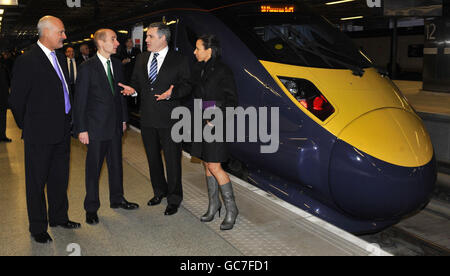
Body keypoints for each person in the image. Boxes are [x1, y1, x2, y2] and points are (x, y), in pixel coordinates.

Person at [9, 15, 81, 244]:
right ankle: (38, 226)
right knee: (36, 181)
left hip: (62, 130)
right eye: (61, 32)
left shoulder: (60, 58)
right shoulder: (28, 61)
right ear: (46, 32)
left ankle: (59, 217)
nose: (65, 36)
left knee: (60, 177)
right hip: (38, 133)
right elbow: (17, 101)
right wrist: (28, 126)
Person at [119, 22, 191, 216]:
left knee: (172, 160)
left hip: (171, 119)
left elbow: (187, 85)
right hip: (148, 118)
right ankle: (159, 191)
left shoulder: (179, 60)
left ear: (163, 38)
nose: (146, 40)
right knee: (152, 158)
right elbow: (136, 83)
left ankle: (174, 198)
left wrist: (172, 93)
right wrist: (132, 90)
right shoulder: (142, 58)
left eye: (150, 36)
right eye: (147, 36)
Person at [74, 29, 139, 225]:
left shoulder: (117, 65)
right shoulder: (87, 68)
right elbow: (80, 102)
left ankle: (117, 199)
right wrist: (81, 129)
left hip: (115, 126)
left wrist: (124, 119)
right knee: (93, 168)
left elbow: (119, 96)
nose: (117, 43)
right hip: (95, 128)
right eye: (113, 39)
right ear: (101, 43)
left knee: (116, 164)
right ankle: (91, 207)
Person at [191, 35, 239, 230]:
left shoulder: (223, 70)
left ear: (209, 51)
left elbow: (232, 101)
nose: (194, 52)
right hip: (201, 119)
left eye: (197, 48)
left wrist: (215, 119)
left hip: (217, 122)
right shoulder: (199, 69)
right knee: (206, 163)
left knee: (215, 165)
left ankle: (232, 208)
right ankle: (214, 204)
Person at [0, 63, 11, 142]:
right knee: (2, 116)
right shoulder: (3, 67)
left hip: (2, 96)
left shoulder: (3, 67)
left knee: (2, 116)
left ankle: (2, 135)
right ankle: (2, 135)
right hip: (3, 96)